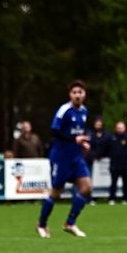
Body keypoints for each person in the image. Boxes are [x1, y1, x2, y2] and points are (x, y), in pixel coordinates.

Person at [37, 80, 92, 238]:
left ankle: (70, 223)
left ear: (84, 95)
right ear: (70, 95)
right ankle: (41, 224)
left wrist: (83, 144)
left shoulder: (84, 111)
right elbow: (54, 132)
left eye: (80, 92)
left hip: (76, 158)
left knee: (87, 188)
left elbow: (78, 134)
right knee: (56, 193)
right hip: (61, 158)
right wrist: (75, 139)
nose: (77, 95)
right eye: (74, 92)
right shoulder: (64, 110)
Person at [103, 121, 127, 204]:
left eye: (121, 128)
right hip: (114, 164)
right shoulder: (111, 138)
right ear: (116, 128)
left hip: (126, 164)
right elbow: (105, 149)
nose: (120, 129)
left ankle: (125, 199)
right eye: (118, 128)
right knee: (113, 183)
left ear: (124, 128)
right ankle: (112, 199)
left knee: (125, 183)